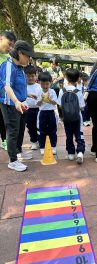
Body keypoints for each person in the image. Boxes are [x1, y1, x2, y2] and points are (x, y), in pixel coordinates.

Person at [0, 40, 33, 172]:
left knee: (19, 129)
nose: (29, 59)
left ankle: (18, 151)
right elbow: (7, 86)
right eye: (28, 55)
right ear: (19, 53)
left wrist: (26, 96)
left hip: (19, 103)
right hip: (10, 104)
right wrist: (16, 101)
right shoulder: (8, 65)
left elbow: (18, 85)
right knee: (13, 131)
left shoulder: (19, 67)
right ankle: (13, 160)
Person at [57, 68, 85, 164]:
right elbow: (82, 107)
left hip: (66, 118)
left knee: (69, 136)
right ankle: (80, 152)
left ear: (66, 78)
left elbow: (60, 105)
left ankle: (70, 154)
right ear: (77, 79)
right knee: (79, 134)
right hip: (77, 118)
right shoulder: (78, 91)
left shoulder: (62, 91)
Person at [0, 31, 16, 151]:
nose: (10, 47)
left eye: (12, 46)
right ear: (1, 39)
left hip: (4, 95)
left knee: (4, 121)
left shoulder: (9, 58)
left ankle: (4, 141)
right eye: (9, 44)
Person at [37, 72, 58, 155]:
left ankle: (53, 147)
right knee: (42, 131)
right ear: (39, 82)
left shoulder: (52, 91)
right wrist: (41, 99)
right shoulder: (39, 91)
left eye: (47, 84)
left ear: (50, 83)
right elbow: (38, 104)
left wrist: (50, 99)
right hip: (42, 113)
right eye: (42, 84)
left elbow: (55, 103)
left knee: (53, 130)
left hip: (51, 113)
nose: (45, 86)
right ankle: (42, 147)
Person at [24, 65, 42, 150]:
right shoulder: (23, 87)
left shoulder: (39, 86)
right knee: (30, 126)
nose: (30, 78)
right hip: (28, 110)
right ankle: (34, 141)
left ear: (36, 76)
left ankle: (40, 140)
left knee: (39, 125)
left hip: (38, 109)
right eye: (28, 76)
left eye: (32, 76)